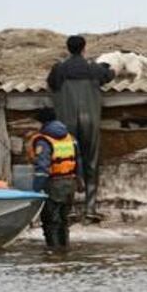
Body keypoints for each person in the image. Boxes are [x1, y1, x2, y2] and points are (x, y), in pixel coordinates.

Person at [47, 35, 112, 221]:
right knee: (91, 161)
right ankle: (90, 209)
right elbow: (109, 75)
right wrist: (106, 68)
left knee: (68, 163)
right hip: (90, 121)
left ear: (68, 49)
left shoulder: (59, 69)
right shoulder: (93, 68)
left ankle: (69, 208)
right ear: (84, 48)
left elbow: (51, 84)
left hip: (65, 125)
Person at [31, 114, 78, 248]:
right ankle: (64, 250)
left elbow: (42, 169)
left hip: (53, 185)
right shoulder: (70, 138)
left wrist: (35, 190)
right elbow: (78, 160)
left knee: (51, 221)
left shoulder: (44, 141)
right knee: (64, 220)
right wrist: (80, 181)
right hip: (70, 184)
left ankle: (53, 252)